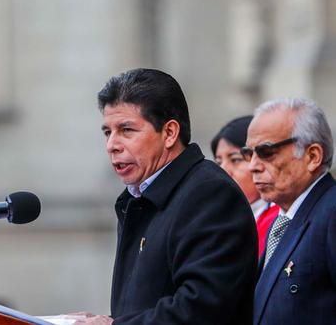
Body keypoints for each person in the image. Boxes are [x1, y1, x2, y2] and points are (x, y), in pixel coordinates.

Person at [75, 68, 258, 325]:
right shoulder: (137, 197)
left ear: (170, 133)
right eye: (108, 132)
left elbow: (201, 309)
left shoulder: (209, 195)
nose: (112, 145)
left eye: (126, 130)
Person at [244, 98, 336, 325]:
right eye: (249, 153)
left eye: (266, 151)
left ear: (312, 156)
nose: (252, 166)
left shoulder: (332, 213)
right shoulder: (283, 218)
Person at [211, 116, 279, 257]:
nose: (223, 171)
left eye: (235, 159)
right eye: (218, 162)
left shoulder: (281, 218)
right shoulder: (216, 220)